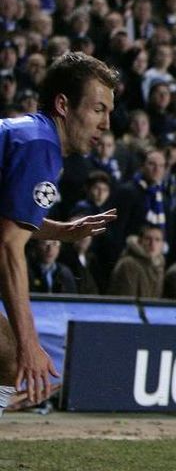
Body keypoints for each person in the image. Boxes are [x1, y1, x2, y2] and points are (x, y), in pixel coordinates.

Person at [0, 52, 118, 417]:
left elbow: (7, 223)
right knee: (10, 352)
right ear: (64, 104)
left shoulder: (30, 136)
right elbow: (7, 246)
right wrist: (30, 342)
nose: (106, 124)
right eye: (98, 109)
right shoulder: (40, 147)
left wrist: (58, 230)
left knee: (4, 355)